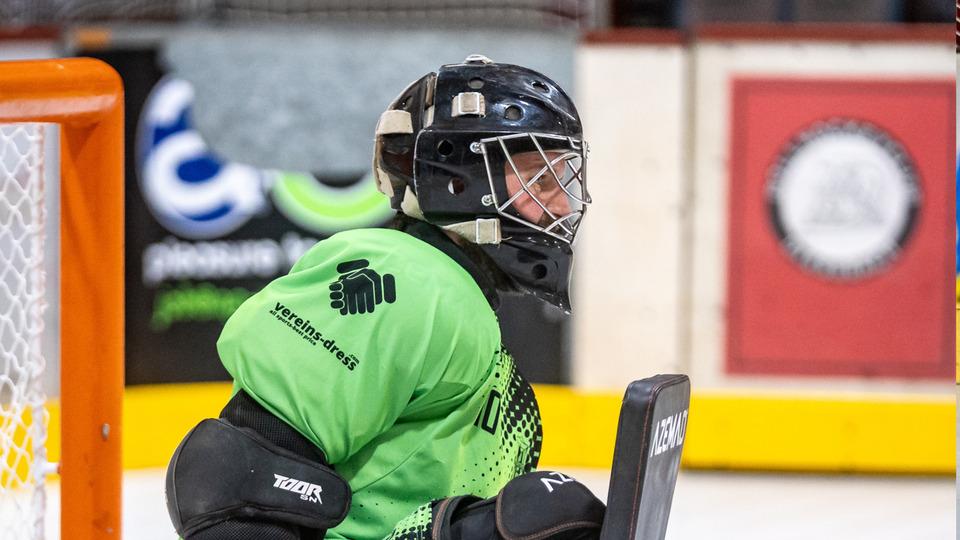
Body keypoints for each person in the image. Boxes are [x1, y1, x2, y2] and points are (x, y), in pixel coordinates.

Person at [165, 55, 604, 540]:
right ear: (461, 179)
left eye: (562, 181)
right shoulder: (406, 278)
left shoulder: (458, 297)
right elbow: (231, 483)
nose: (562, 204)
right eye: (540, 180)